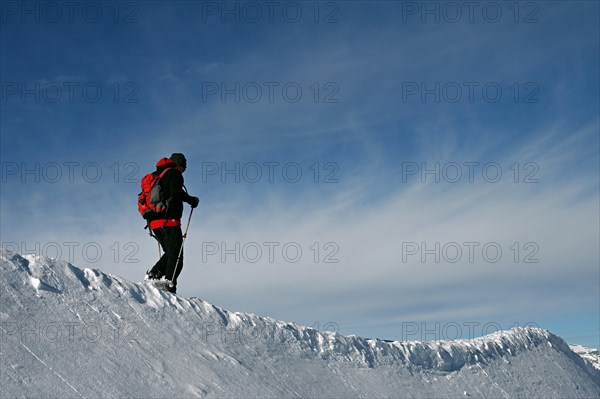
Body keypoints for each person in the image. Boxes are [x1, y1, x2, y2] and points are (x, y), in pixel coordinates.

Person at [145, 153, 199, 293]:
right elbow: (176, 192)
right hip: (169, 221)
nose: (183, 171)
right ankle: (168, 284)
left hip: (154, 222)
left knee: (171, 253)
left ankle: (154, 275)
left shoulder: (157, 175)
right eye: (183, 168)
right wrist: (191, 200)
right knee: (177, 256)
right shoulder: (173, 173)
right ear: (178, 165)